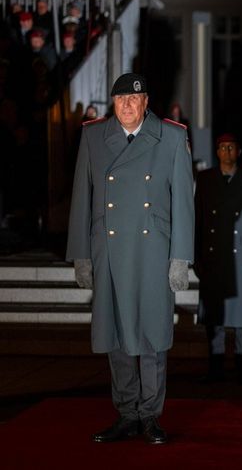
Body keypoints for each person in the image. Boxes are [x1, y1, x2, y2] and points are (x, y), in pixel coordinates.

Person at [66, 73, 194, 445]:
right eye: (120, 99)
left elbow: (183, 202)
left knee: (152, 335)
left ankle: (150, 416)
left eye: (133, 100)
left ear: (146, 102)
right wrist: (80, 255)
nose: (126, 105)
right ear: (113, 102)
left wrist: (180, 258)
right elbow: (81, 198)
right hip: (108, 250)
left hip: (153, 248)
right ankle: (126, 413)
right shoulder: (93, 136)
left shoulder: (170, 136)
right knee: (116, 334)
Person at [194, 133, 242, 385]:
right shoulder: (204, 180)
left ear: (239, 151)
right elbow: (199, 221)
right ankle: (215, 368)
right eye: (222, 147)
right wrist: (197, 257)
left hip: (241, 257)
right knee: (214, 320)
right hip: (214, 257)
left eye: (231, 147)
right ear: (217, 152)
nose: (226, 151)